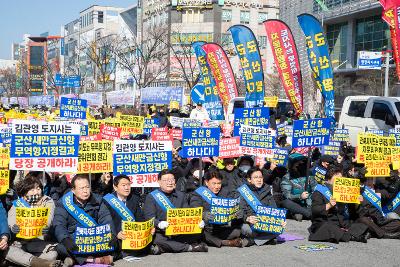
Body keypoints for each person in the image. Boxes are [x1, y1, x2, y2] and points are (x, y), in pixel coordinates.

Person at [53, 174, 115, 266]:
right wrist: (65, 239)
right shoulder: (63, 203)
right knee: (60, 247)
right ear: (73, 190)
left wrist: (111, 234)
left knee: (116, 242)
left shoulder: (98, 200)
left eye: (87, 187)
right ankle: (94, 260)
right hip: (74, 239)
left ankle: (75, 260)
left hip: (94, 239)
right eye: (82, 188)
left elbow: (106, 219)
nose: (85, 191)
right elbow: (59, 225)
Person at [144, 169, 207, 254]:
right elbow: (149, 218)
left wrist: (197, 221)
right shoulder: (151, 197)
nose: (170, 182)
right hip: (162, 232)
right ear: (159, 182)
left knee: (200, 231)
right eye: (166, 180)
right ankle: (190, 247)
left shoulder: (181, 195)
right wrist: (159, 223)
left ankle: (164, 248)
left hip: (179, 231)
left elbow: (187, 213)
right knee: (156, 239)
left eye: (172, 180)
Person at [6, 174, 61, 267]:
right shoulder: (18, 203)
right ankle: (40, 263)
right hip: (21, 242)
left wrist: (46, 226)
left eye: (38, 188)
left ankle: (25, 261)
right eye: (32, 189)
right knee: (8, 251)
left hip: (39, 242)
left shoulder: (47, 200)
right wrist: (13, 226)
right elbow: (12, 216)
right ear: (25, 192)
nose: (36, 191)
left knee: (52, 255)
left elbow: (49, 216)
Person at [309, 167, 369, 243]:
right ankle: (351, 236)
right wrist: (329, 205)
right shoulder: (319, 191)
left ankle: (347, 233)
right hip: (325, 222)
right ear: (328, 179)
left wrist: (357, 203)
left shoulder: (344, 192)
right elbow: (315, 210)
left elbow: (353, 213)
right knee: (328, 227)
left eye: (341, 178)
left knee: (361, 224)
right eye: (337, 179)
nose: (339, 180)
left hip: (341, 223)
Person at [100, 175, 153, 259]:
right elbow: (106, 221)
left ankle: (122, 254)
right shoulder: (107, 200)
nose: (127, 188)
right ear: (115, 187)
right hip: (115, 233)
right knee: (110, 242)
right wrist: (117, 233)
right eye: (123, 185)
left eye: (128, 185)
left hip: (131, 235)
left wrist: (147, 229)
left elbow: (139, 218)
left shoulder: (134, 198)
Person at [190, 171, 242, 247]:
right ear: (206, 182)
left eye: (219, 183)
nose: (217, 187)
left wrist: (237, 213)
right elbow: (194, 208)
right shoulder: (199, 193)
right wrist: (203, 214)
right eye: (214, 183)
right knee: (199, 232)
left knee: (237, 231)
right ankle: (225, 242)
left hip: (221, 227)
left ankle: (217, 240)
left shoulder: (226, 192)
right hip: (206, 227)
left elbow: (234, 205)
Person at [238, 167, 286, 247]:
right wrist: (247, 218)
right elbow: (239, 211)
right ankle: (266, 239)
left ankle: (252, 241)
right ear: (249, 180)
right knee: (244, 228)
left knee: (279, 230)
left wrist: (279, 220)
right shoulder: (244, 191)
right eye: (256, 177)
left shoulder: (267, 190)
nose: (259, 180)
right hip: (249, 223)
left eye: (260, 177)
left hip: (264, 224)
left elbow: (274, 209)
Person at [281, 153, 317, 221]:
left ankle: (307, 213)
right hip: (295, 204)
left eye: (302, 164)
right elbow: (287, 195)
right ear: (292, 165)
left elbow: (315, 189)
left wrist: (310, 198)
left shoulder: (309, 175)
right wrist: (300, 196)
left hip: (309, 203)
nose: (300, 166)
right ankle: (308, 214)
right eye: (297, 164)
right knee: (286, 202)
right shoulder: (287, 177)